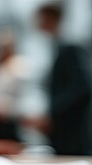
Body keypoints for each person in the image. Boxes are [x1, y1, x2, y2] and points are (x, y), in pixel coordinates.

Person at [29, 2, 92, 155]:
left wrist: (52, 114)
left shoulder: (69, 48)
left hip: (72, 130)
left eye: (41, 19)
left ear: (51, 19)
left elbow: (81, 87)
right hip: (62, 130)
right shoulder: (56, 48)